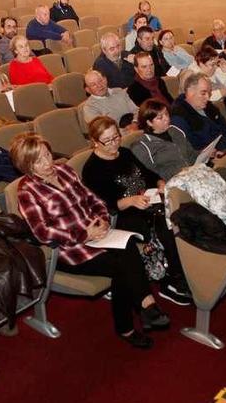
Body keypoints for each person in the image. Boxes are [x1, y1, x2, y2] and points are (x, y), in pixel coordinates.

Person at [11, 132, 170, 348]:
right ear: (27, 167)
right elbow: (43, 232)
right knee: (122, 266)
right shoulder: (27, 191)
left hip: (98, 235)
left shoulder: (65, 170)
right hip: (71, 249)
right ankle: (136, 316)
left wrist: (103, 221)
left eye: (47, 155)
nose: (47, 163)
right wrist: (84, 234)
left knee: (129, 246)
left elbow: (93, 199)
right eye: (38, 161)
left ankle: (142, 311)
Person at [82, 117, 192, 305]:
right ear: (94, 142)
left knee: (181, 211)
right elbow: (105, 204)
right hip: (123, 215)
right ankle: (173, 279)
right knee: (164, 222)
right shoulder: (92, 168)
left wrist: (159, 182)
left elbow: (146, 173)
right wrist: (131, 200)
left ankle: (186, 265)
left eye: (116, 137)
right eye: (107, 141)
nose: (114, 143)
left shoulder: (124, 153)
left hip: (146, 201)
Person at [130, 99, 197, 181]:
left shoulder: (175, 130)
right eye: (160, 118)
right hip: (175, 182)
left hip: (194, 173)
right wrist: (177, 173)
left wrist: (205, 155)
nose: (166, 119)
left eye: (166, 114)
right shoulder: (142, 146)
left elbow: (191, 154)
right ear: (149, 123)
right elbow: (151, 176)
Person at [170, 73, 226, 151]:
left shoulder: (210, 107)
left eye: (209, 93)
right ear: (190, 92)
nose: (207, 97)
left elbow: (225, 130)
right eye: (203, 93)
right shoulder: (179, 117)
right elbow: (191, 150)